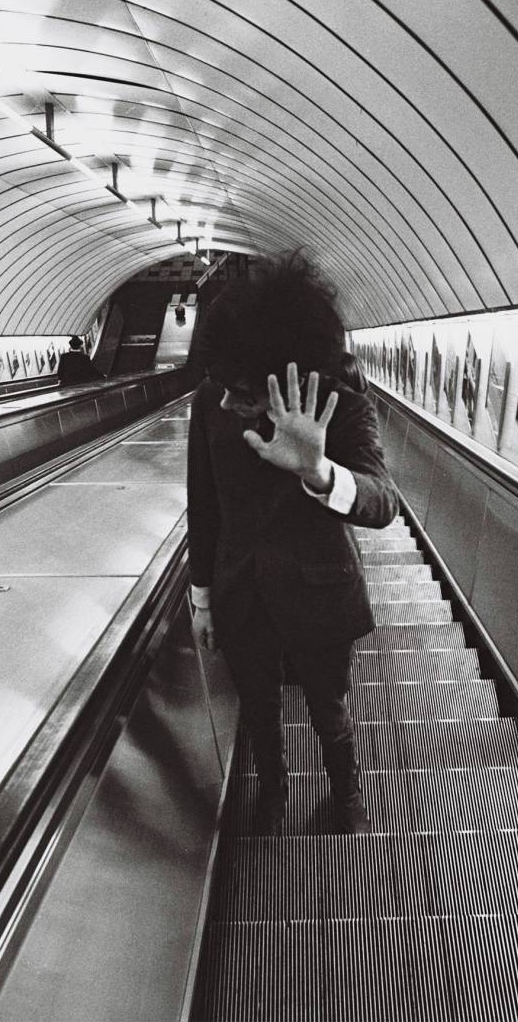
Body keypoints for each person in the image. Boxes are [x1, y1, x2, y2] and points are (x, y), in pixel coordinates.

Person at [187, 254, 398, 835]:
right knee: (258, 707)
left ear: (284, 377)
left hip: (319, 589)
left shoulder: (342, 407)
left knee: (329, 708)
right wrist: (202, 598)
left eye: (239, 391)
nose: (226, 402)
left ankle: (346, 796)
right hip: (239, 590)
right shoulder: (210, 401)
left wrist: (319, 471)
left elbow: (383, 501)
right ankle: (273, 794)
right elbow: (203, 504)